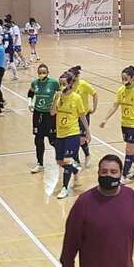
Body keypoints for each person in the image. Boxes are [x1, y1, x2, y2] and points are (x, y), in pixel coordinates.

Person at [99, 66, 134, 182]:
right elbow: (115, 105)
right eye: (122, 78)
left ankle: (123, 175)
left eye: (126, 78)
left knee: (129, 149)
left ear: (133, 78)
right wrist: (105, 119)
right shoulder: (121, 90)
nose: (123, 80)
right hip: (125, 124)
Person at [51, 71, 91, 199]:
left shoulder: (76, 98)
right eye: (60, 83)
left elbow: (82, 116)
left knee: (67, 160)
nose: (61, 85)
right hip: (60, 133)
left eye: (64, 83)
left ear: (69, 84)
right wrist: (56, 99)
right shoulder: (58, 97)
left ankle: (64, 188)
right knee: (60, 161)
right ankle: (74, 169)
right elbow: (52, 113)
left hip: (72, 133)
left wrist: (87, 132)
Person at [28, 63, 60, 173]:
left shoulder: (54, 83)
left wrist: (56, 105)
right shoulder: (35, 83)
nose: (42, 74)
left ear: (48, 73)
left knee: (53, 140)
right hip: (38, 114)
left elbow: (61, 93)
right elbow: (30, 93)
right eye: (40, 73)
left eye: (44, 72)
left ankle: (61, 159)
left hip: (50, 115)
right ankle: (40, 164)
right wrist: (30, 103)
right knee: (38, 139)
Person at [69, 66, 98, 168]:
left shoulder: (83, 84)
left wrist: (94, 108)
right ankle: (76, 160)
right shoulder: (69, 85)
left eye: (72, 76)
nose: (71, 78)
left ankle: (87, 155)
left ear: (77, 76)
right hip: (72, 116)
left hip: (83, 115)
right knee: (73, 139)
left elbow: (94, 94)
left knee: (81, 139)